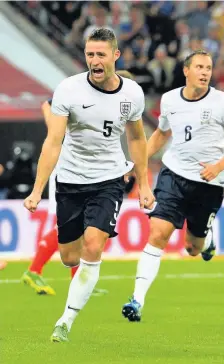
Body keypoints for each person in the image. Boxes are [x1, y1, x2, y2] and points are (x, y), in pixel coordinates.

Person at [23, 28, 155, 342]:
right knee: (70, 257)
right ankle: (72, 274)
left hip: (109, 179)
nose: (94, 61)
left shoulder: (132, 94)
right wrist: (37, 189)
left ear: (115, 56)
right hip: (69, 180)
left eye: (101, 54)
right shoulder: (68, 89)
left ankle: (65, 322)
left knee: (94, 245)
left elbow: (136, 138)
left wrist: (145, 184)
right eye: (90, 54)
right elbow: (53, 142)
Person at [121, 50, 224, 322]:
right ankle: (137, 300)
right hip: (174, 174)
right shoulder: (170, 100)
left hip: (209, 182)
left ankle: (207, 241)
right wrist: (139, 164)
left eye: (209, 68)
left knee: (193, 248)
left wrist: (218, 166)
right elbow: (161, 133)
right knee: (158, 232)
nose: (205, 72)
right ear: (186, 71)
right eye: (200, 67)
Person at [21, 70, 136, 296]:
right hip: (68, 169)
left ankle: (79, 281)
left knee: (84, 228)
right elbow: (47, 105)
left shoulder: (115, 107)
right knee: (65, 227)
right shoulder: (83, 92)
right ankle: (34, 270)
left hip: (92, 172)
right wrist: (60, 135)